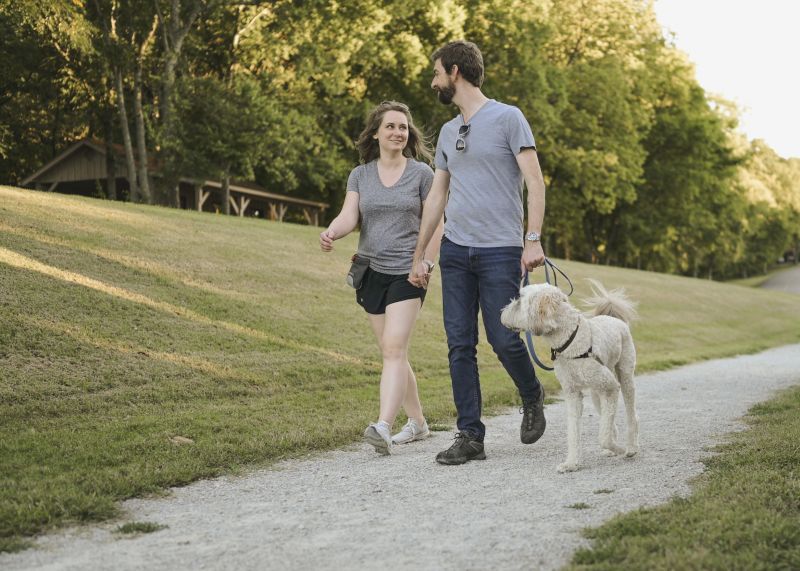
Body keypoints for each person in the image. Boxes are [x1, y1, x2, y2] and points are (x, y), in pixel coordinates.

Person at [408, 40, 548, 465]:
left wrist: (533, 238)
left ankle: (531, 393)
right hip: (455, 252)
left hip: (500, 250)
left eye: (436, 73)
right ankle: (470, 435)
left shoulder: (509, 117)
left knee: (504, 338)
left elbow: (536, 183)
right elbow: (437, 196)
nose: (433, 81)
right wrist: (420, 255)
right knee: (459, 344)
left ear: (455, 72)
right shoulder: (450, 132)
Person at [320, 101, 443, 455]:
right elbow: (349, 215)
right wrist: (331, 232)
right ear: (376, 132)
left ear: (409, 134)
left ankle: (383, 426)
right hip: (370, 272)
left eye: (403, 127)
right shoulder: (360, 175)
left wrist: (426, 263)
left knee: (393, 348)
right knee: (394, 352)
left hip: (408, 273)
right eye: (390, 126)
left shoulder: (422, 174)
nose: (397, 133)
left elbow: (437, 222)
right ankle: (418, 423)